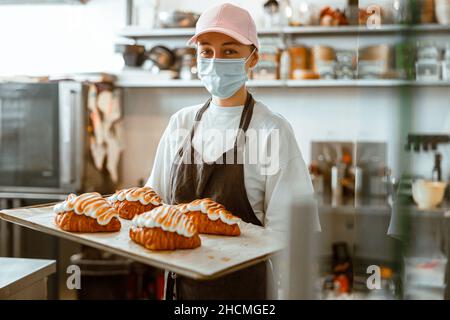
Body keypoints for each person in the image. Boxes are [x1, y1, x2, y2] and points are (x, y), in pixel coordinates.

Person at [146, 3, 320, 300]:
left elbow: (292, 235)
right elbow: (154, 206)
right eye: (206, 51)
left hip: (246, 294)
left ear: (253, 58)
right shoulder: (181, 123)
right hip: (181, 292)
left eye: (229, 51)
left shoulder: (272, 131)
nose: (215, 61)